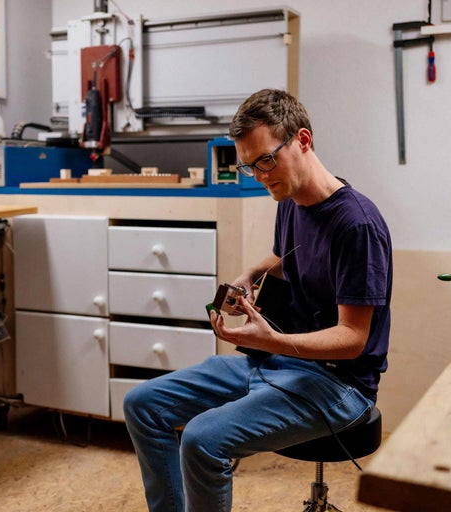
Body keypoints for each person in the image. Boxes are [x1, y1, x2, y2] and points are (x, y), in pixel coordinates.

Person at [123, 88, 393, 512]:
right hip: (280, 362)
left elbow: (353, 338)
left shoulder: (356, 226)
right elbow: (290, 258)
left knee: (201, 440)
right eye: (250, 167)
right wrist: (252, 275)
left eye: (267, 160)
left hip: (339, 386)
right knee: (142, 405)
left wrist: (273, 342)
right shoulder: (290, 198)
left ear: (302, 140)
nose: (262, 175)